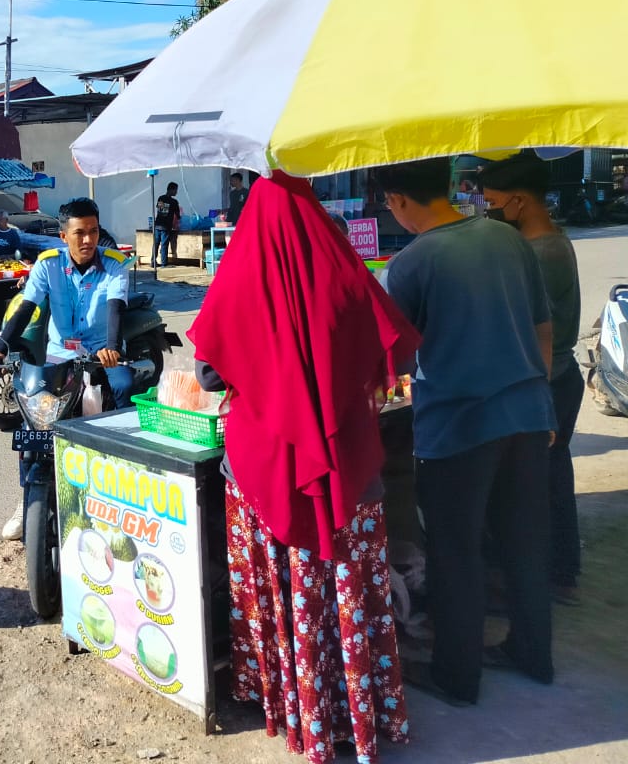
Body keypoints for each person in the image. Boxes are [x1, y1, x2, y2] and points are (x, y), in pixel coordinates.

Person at [189, 172, 417, 764]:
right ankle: (360, 714)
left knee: (284, 593)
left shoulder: (242, 276)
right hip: (348, 465)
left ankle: (297, 711)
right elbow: (391, 347)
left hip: (264, 469)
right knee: (347, 589)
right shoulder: (345, 271)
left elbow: (209, 373)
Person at [376, 158, 556, 706]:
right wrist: (542, 403)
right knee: (524, 542)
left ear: (397, 201)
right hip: (528, 416)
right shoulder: (508, 240)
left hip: (459, 428)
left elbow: (392, 360)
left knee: (456, 551)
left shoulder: (411, 264)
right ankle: (533, 654)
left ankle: (458, 676)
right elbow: (543, 327)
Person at [0, 197, 131, 540]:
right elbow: (26, 308)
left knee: (122, 388)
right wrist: (0, 347)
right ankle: (26, 500)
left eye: (93, 231)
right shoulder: (47, 264)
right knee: (35, 420)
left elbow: (115, 307)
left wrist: (111, 346)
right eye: (80, 233)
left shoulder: (115, 263)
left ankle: (123, 482)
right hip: (59, 354)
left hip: (99, 352)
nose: (88, 240)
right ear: (64, 236)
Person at [479, 154, 584, 605]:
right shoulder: (545, 242)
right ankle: (555, 572)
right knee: (548, 478)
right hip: (553, 376)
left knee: (540, 484)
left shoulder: (541, 253)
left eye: (492, 202)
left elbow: (520, 324)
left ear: (519, 201)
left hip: (547, 379)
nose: (488, 211)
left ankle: (551, 576)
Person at [152, 182, 181, 268]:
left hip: (157, 225)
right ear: (171, 190)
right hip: (165, 226)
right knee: (164, 244)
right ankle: (164, 263)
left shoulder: (161, 198)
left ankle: (153, 262)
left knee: (156, 244)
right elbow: (178, 216)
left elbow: (161, 211)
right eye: (176, 190)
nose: (176, 192)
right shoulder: (174, 202)